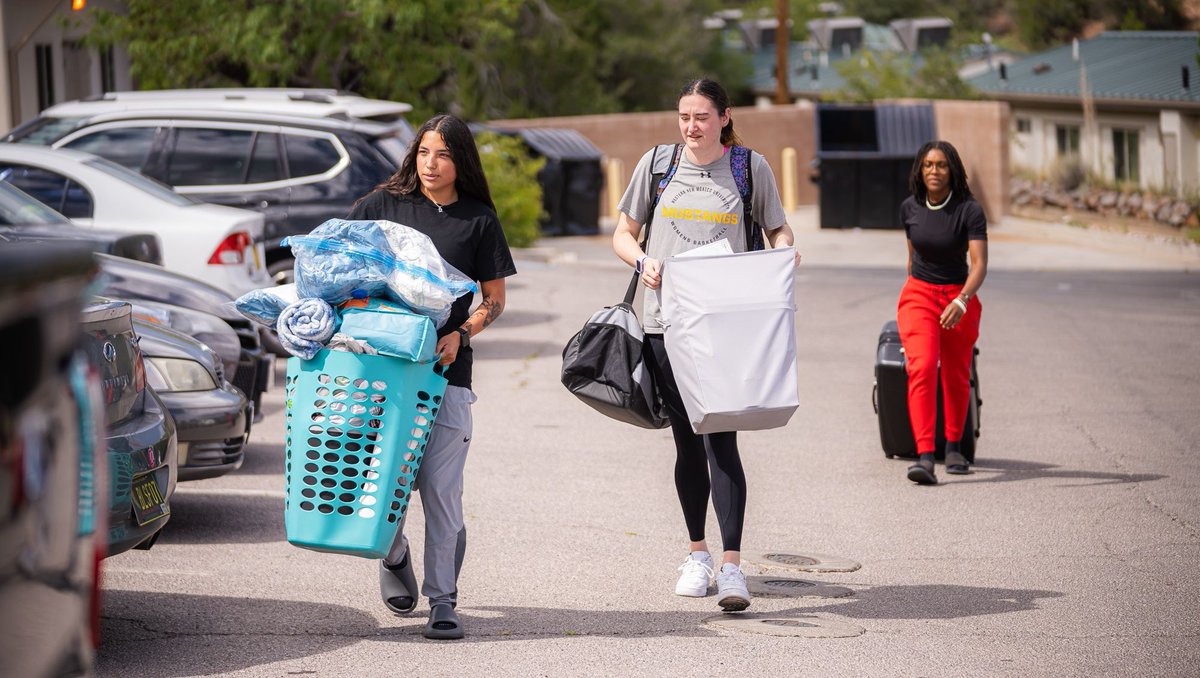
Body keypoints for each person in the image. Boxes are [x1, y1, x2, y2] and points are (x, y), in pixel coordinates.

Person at [611, 77, 798, 612]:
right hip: (664, 325)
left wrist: (786, 254)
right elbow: (624, 233)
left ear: (724, 117)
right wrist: (642, 260)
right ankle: (697, 555)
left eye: (701, 117)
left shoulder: (747, 168)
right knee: (686, 445)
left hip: (725, 331)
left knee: (723, 442)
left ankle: (733, 568)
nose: (691, 127)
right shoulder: (657, 165)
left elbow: (778, 231)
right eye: (684, 117)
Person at [346, 114, 516, 639]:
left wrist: (461, 334)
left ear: (460, 161)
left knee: (441, 491)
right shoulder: (380, 208)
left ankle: (445, 601)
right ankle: (393, 552)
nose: (431, 163)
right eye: (423, 152)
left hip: (446, 375)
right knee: (383, 481)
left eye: (442, 154)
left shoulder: (478, 220)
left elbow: (494, 300)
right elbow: (341, 270)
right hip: (380, 373)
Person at [897, 140, 987, 485]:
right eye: (928, 165)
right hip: (919, 293)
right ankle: (924, 456)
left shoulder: (969, 210)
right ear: (921, 170)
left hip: (959, 295)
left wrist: (962, 300)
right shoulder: (909, 208)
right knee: (921, 366)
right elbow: (912, 258)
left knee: (955, 371)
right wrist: (914, 294)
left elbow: (979, 264)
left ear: (953, 170)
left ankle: (953, 447)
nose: (935, 171)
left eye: (942, 165)